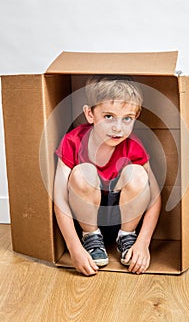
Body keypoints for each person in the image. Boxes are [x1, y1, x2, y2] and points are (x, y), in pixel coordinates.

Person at [54, 75, 161, 276]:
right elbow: (59, 197)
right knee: (82, 172)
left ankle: (126, 237)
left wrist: (143, 243)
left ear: (136, 117)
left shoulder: (134, 146)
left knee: (138, 173)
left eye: (127, 118)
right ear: (90, 114)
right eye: (109, 116)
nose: (118, 128)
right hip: (86, 220)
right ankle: (92, 237)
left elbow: (154, 198)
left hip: (123, 219)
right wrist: (73, 247)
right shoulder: (73, 141)